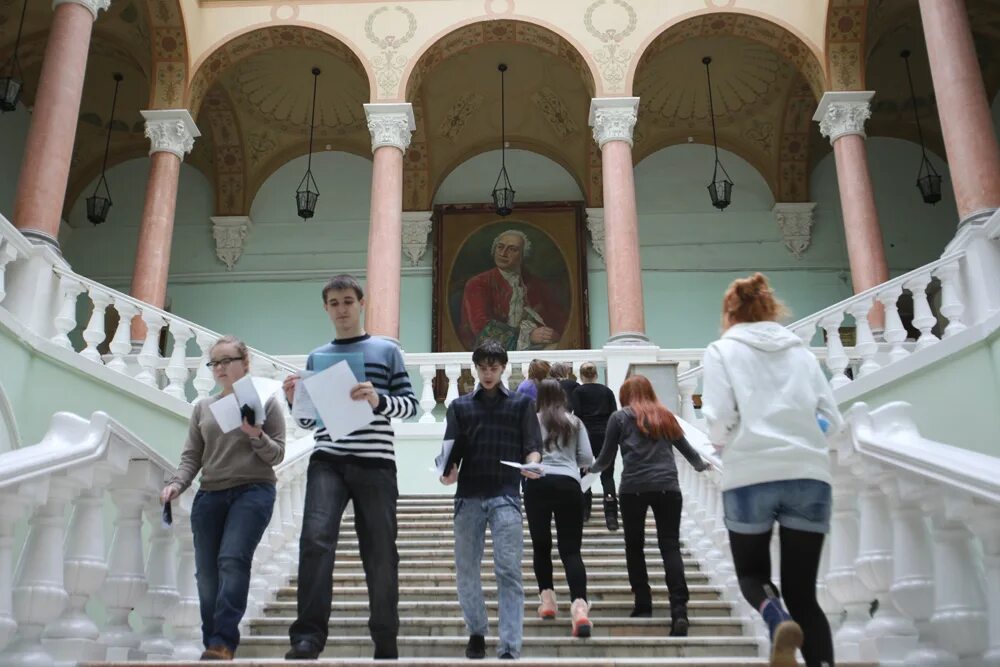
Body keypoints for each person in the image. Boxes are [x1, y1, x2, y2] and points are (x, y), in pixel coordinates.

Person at [701, 272, 842, 667]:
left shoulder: (722, 351)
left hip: (750, 473)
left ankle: (775, 617)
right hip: (809, 476)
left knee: (751, 573)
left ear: (730, 313)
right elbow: (831, 417)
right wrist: (807, 441)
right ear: (770, 308)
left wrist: (725, 440)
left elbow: (719, 418)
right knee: (804, 593)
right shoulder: (801, 352)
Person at [282, 274, 419, 661]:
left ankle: (385, 638)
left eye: (347, 301)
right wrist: (294, 400)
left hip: (375, 463)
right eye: (334, 303)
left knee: (379, 551)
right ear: (326, 309)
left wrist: (378, 399)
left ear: (361, 304)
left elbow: (410, 406)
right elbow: (309, 423)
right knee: (314, 542)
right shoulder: (316, 356)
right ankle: (307, 638)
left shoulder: (386, 351)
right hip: (328, 460)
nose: (341, 309)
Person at [160, 335, 286, 661]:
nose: (220, 368)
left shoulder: (266, 401)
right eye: (214, 362)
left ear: (244, 364)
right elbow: (192, 457)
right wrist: (176, 484)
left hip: (253, 491)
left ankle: (223, 641)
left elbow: (278, 455)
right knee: (206, 574)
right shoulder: (203, 407)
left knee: (232, 560)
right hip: (210, 496)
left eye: (227, 360)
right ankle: (211, 643)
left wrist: (256, 434)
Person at [439, 339, 543, 660]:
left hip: (507, 494)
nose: (487, 374)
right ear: (476, 369)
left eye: (493, 368)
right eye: (483, 368)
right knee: (466, 570)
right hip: (468, 495)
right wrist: (447, 470)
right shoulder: (459, 407)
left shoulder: (521, 405)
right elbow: (450, 450)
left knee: (508, 570)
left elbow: (532, 444)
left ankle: (510, 644)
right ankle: (477, 631)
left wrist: (534, 463)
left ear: (503, 369)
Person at [590, 375, 709, 636]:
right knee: (670, 545)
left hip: (634, 488)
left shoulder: (619, 418)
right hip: (668, 486)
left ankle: (643, 602)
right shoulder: (665, 416)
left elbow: (606, 458)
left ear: (625, 395)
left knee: (634, 546)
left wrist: (588, 468)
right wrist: (704, 466)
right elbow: (689, 452)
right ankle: (679, 609)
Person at [524, 379, 594, 637]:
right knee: (571, 550)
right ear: (563, 396)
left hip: (537, 484)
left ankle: (548, 602)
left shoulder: (532, 420)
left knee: (541, 547)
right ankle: (579, 608)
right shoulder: (574, 422)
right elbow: (587, 459)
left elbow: (523, 452)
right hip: (568, 485)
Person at [458, 229, 568, 350]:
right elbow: (481, 327)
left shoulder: (535, 284)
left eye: (512, 249)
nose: (503, 253)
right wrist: (528, 336)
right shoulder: (478, 283)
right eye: (500, 247)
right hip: (491, 352)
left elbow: (558, 318)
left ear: (523, 256)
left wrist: (554, 334)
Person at [569, 362, 619, 530]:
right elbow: (615, 414)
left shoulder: (578, 392)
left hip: (586, 436)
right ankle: (611, 516)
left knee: (585, 473)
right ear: (596, 375)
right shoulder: (607, 391)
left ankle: (585, 511)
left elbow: (577, 414)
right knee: (608, 476)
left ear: (582, 376)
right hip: (606, 436)